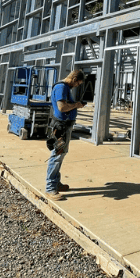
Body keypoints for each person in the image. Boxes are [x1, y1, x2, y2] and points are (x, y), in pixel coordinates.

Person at [45, 69, 86, 201]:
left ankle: (56, 183)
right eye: (78, 83)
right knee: (57, 155)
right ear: (74, 79)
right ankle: (50, 188)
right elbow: (62, 107)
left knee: (60, 155)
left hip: (64, 126)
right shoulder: (62, 87)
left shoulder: (64, 88)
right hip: (61, 127)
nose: (77, 86)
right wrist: (76, 105)